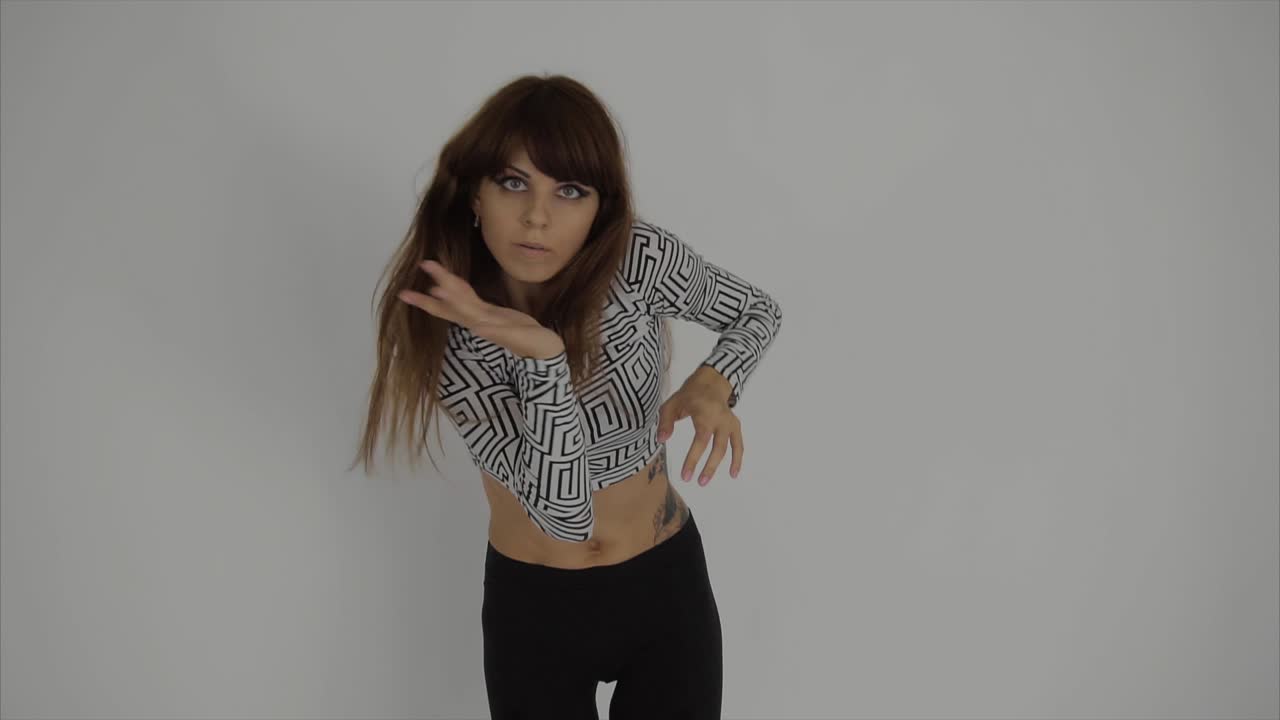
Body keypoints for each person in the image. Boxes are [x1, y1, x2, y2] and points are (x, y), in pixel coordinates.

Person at [350, 74, 782, 720]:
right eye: (514, 182)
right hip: (537, 615)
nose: (537, 217)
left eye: (570, 190)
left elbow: (755, 312)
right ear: (474, 191)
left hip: (666, 591)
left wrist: (713, 382)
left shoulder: (636, 259)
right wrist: (542, 357)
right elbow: (565, 513)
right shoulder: (449, 336)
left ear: (599, 208)